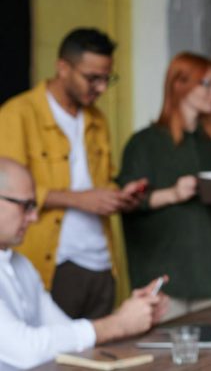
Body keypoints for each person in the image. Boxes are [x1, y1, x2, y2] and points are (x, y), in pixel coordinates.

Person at [0, 28, 147, 319]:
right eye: (93, 78)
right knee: (56, 359)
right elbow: (7, 192)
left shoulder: (97, 120)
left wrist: (119, 197)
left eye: (107, 78)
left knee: (103, 355)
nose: (102, 88)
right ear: (63, 68)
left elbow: (100, 182)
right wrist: (80, 200)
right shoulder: (17, 114)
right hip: (54, 264)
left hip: (102, 263)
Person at [0, 158, 167, 370]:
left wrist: (129, 316)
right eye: (26, 206)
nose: (34, 217)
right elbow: (25, 350)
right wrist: (117, 325)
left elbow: (67, 332)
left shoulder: (21, 265)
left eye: (34, 206)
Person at [117, 52, 211, 320]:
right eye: (206, 84)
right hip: (168, 282)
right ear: (179, 85)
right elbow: (126, 202)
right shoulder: (145, 143)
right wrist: (173, 193)